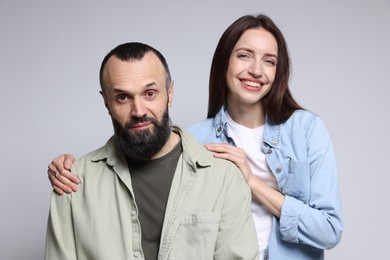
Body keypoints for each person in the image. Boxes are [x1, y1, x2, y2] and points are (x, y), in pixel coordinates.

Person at [47, 14, 343, 259]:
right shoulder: (194, 140)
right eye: (244, 56)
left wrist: (251, 182)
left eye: (269, 61)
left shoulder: (305, 129)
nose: (256, 70)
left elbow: (329, 230)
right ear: (224, 62)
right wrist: (74, 168)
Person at [44, 42, 259, 260]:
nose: (138, 111)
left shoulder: (223, 178)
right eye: (122, 97)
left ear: (170, 93)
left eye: (150, 93)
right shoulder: (73, 182)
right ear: (106, 102)